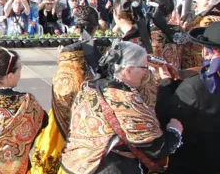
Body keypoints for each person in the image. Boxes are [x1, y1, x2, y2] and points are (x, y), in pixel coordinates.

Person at [60, 41, 183, 174]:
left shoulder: (88, 87)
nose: (146, 72)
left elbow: (145, 86)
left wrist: (158, 71)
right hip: (105, 168)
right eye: (145, 68)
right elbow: (156, 148)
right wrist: (175, 131)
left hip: (73, 165)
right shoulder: (123, 99)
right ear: (129, 70)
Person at [30, 5, 103, 174]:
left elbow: (62, 86)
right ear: (96, 26)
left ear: (77, 27)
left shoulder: (68, 54)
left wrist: (61, 59)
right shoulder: (104, 50)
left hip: (65, 115)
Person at [155, 21, 220, 173]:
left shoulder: (195, 86)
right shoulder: (196, 84)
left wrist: (165, 82)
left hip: (194, 163)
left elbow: (164, 113)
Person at [181, 0, 220, 69]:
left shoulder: (214, 20)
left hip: (204, 65)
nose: (211, 3)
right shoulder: (188, 16)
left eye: (214, 0)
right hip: (183, 62)